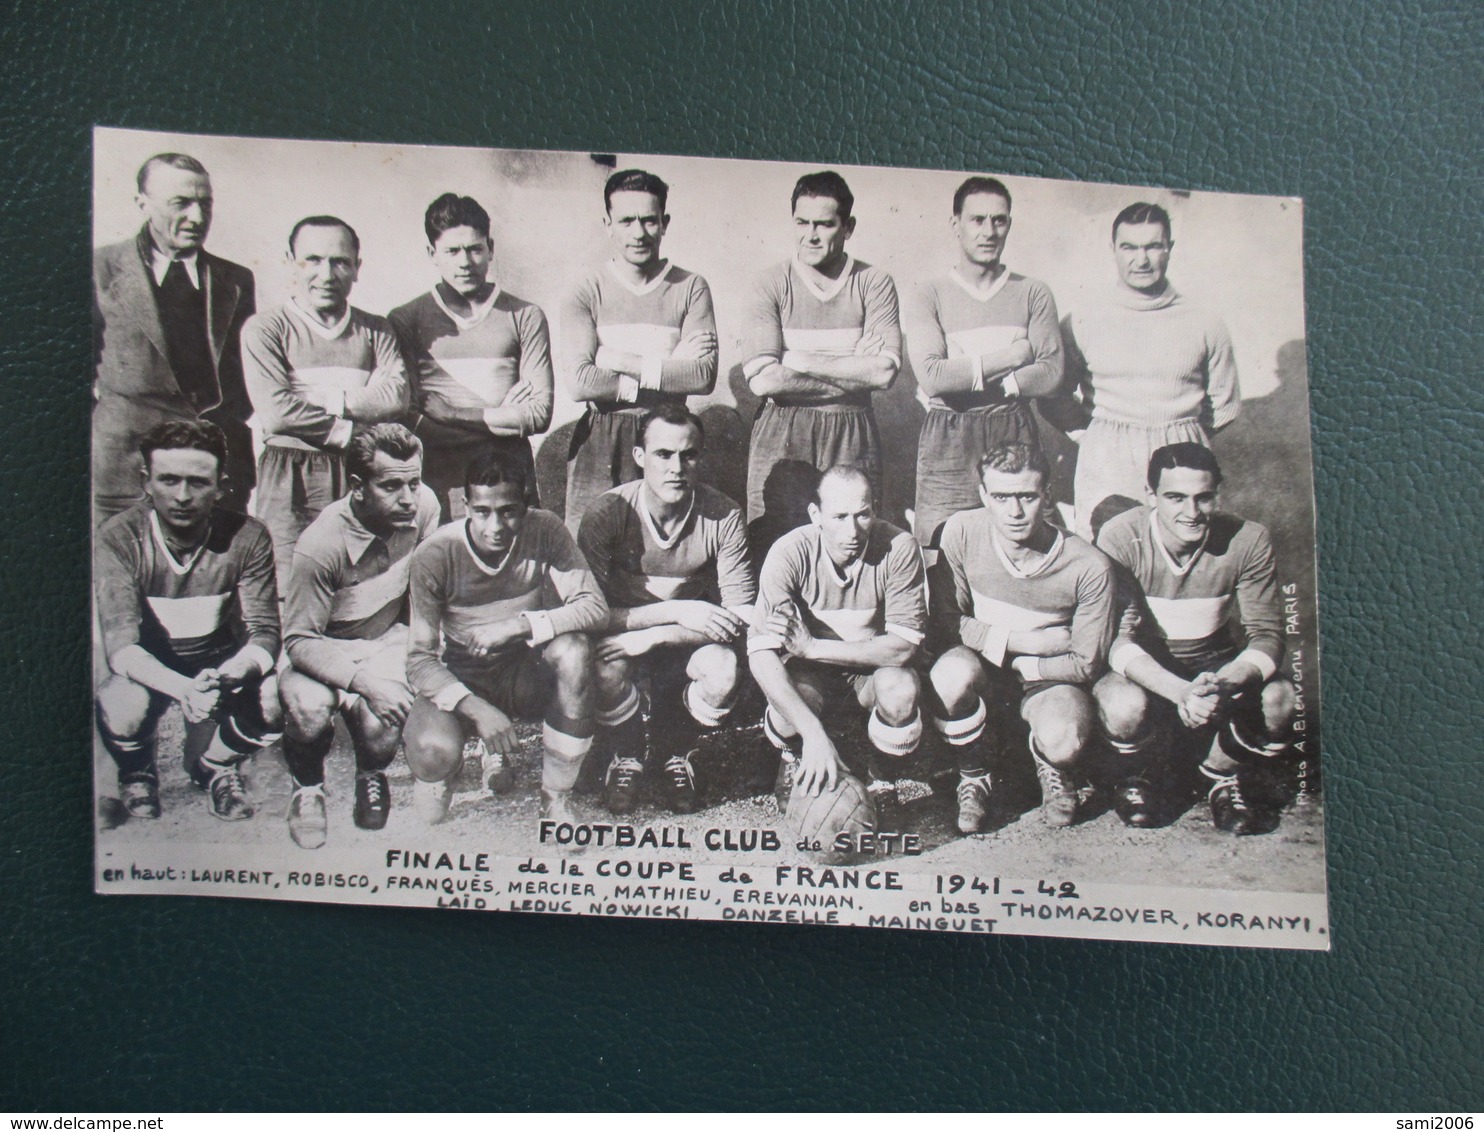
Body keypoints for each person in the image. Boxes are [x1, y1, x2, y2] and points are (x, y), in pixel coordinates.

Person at [1094, 443, 1296, 833]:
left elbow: (1267, 635)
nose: (1191, 512)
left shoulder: (1248, 539)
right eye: (1175, 498)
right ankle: (1141, 777)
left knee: (1282, 698)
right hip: (1150, 672)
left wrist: (1225, 682)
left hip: (1214, 669)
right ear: (1151, 496)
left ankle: (1217, 777)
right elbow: (1116, 639)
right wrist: (1179, 691)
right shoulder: (1121, 536)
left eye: (1204, 498)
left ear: (1217, 494)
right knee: (1121, 703)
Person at [403, 451, 606, 827]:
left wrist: (520, 625)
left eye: (508, 511)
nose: (494, 525)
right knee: (432, 760)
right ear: (464, 506)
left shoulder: (544, 528)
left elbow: (594, 608)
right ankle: (448, 766)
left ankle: (556, 796)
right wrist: (478, 710)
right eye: (482, 511)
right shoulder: (435, 554)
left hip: (520, 666)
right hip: (462, 672)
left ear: (526, 507)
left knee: (574, 651)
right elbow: (419, 659)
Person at [94, 420, 281, 822]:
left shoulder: (249, 536)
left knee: (276, 699)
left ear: (220, 485)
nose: (182, 496)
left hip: (216, 670)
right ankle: (136, 768)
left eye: (198, 482)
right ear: (146, 481)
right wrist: (183, 689)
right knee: (119, 699)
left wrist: (228, 675)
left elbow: (265, 632)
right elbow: (121, 645)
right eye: (168, 480)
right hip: (154, 669)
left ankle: (213, 766)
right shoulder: (118, 536)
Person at [927, 443, 1116, 834]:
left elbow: (1086, 662)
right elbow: (947, 621)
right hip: (987, 667)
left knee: (1064, 740)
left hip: (1049, 679)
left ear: (1047, 495)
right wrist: (1022, 642)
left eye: (1027, 497)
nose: (1014, 512)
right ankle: (973, 774)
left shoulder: (1088, 564)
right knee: (949, 675)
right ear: (983, 496)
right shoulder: (962, 531)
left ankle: (1048, 761)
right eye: (1000, 497)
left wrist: (1022, 661)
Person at [578, 402, 756, 814]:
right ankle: (626, 755)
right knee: (603, 667)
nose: (676, 467)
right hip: (622, 642)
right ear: (640, 457)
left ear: (700, 457)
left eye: (688, 454)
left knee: (724, 670)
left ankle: (676, 750)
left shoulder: (723, 515)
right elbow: (586, 611)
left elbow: (742, 615)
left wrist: (659, 634)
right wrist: (674, 613)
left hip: (686, 646)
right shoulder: (607, 513)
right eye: (663, 454)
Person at [277, 424, 440, 849]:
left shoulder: (424, 508)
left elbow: (425, 591)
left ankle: (371, 772)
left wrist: (419, 658)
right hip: (323, 647)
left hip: (384, 638)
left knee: (386, 721)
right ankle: (308, 786)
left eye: (414, 482)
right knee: (309, 708)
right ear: (357, 487)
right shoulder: (321, 544)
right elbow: (298, 641)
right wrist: (366, 684)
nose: (408, 498)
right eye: (390, 486)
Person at [749, 465, 927, 820]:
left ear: (874, 509)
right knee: (785, 706)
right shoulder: (789, 551)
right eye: (840, 516)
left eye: (863, 515)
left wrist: (813, 646)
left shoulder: (899, 546)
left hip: (868, 672)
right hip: (811, 675)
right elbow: (760, 654)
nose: (853, 530)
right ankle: (795, 755)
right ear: (816, 514)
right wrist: (813, 734)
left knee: (901, 689)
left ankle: (883, 775)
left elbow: (904, 647)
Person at [243, 216, 411, 592]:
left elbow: (397, 396)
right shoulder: (266, 328)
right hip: (291, 472)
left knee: (361, 584)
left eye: (340, 262)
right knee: (292, 584)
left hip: (360, 472)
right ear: (290, 262)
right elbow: (276, 410)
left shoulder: (377, 329)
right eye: (312, 260)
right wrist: (351, 428)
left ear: (356, 267)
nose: (327, 273)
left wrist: (318, 398)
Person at [741, 171, 901, 556]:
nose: (811, 235)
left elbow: (883, 371)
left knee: (854, 542)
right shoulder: (770, 282)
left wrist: (798, 359)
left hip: (852, 427)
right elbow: (763, 380)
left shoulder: (873, 282)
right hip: (782, 430)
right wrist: (853, 367)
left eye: (825, 224)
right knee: (773, 543)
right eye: (802, 222)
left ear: (848, 227)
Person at [1058, 202, 1240, 539]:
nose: (1141, 260)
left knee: (1183, 558)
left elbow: (1224, 403)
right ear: (1113, 249)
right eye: (1129, 247)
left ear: (1169, 249)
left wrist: (1180, 434)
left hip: (1182, 456)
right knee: (1107, 559)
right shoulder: (1083, 319)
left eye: (1153, 246)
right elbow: (1055, 393)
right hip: (1108, 459)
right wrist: (1095, 435)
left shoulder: (1204, 321)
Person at [93, 153, 256, 522]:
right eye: (181, 203)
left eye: (205, 203)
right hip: (124, 473)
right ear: (143, 204)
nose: (197, 218)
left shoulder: (236, 280)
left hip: (214, 475)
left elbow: (240, 380)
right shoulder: (99, 270)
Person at [904, 176, 1064, 547]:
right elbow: (932, 377)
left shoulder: (1032, 292)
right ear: (955, 224)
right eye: (977, 220)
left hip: (1013, 425)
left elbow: (1053, 374)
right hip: (949, 434)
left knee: (1027, 540)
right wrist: (1014, 357)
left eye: (999, 220)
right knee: (939, 546)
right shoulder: (929, 293)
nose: (989, 231)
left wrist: (993, 380)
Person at [561, 169, 718, 532]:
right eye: (626, 220)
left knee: (664, 543)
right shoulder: (585, 289)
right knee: (592, 545)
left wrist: (616, 360)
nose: (638, 232)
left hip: (668, 435)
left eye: (649, 220)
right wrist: (669, 369)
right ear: (608, 223)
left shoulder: (691, 287)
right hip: (601, 437)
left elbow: (703, 376)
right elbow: (580, 383)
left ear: (664, 223)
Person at [389, 193, 553, 521]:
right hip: (439, 474)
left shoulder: (525, 315)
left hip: (510, 473)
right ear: (431, 253)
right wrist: (502, 419)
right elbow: (409, 419)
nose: (465, 262)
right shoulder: (407, 319)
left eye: (475, 249)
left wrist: (450, 413)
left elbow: (537, 415)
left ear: (490, 248)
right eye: (452, 251)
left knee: (517, 568)